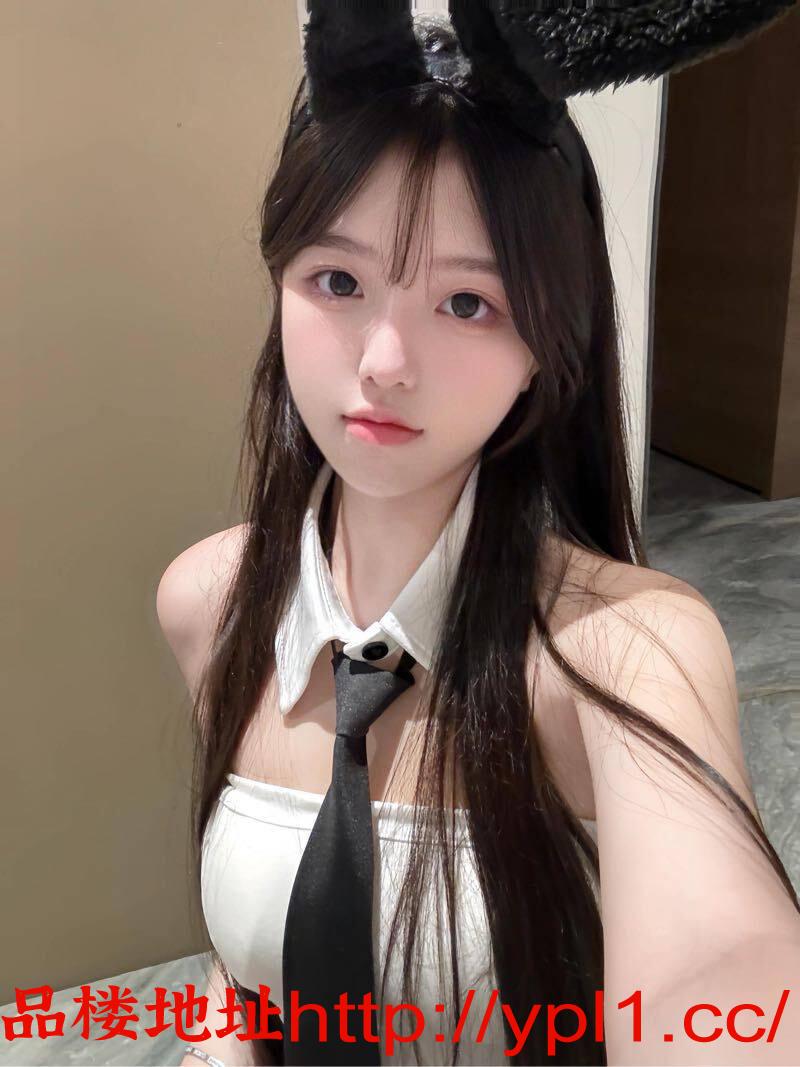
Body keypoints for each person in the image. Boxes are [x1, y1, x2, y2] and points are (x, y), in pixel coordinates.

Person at [156, 4, 800, 1064]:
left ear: (547, 339)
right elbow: (261, 946)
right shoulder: (210, 601)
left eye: (466, 302)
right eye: (337, 281)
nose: (384, 362)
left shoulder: (622, 650)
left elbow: (719, 977)